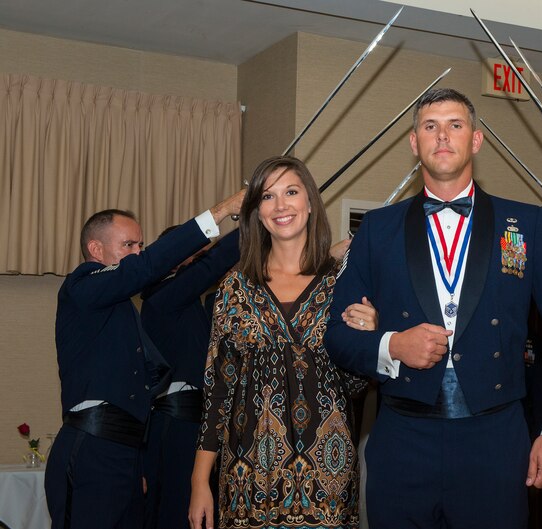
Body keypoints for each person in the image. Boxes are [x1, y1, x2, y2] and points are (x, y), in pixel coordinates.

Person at [324, 88, 542, 529]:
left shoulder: (526, 225)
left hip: (495, 440)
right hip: (402, 440)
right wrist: (393, 345)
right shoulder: (376, 229)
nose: (443, 136)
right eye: (430, 126)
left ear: (476, 140)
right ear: (415, 143)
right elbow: (337, 335)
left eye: (455, 125)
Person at [188, 156, 376, 529]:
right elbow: (217, 395)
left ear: (310, 201)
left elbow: (354, 388)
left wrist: (369, 340)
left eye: (291, 192)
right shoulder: (234, 289)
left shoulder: (343, 284)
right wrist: (198, 482)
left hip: (327, 480)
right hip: (247, 480)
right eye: (267, 197)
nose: (281, 205)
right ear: (257, 212)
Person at [45, 192, 244, 529]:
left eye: (140, 246)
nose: (138, 253)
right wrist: (223, 210)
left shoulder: (119, 304)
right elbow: (152, 266)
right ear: (96, 250)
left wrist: (139, 464)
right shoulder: (81, 286)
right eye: (129, 245)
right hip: (92, 448)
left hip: (126, 451)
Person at [140, 227, 240, 529]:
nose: (201, 264)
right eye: (195, 257)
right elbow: (215, 264)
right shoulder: (161, 297)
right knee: (178, 510)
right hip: (176, 424)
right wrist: (251, 219)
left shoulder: (200, 305)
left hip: (203, 424)